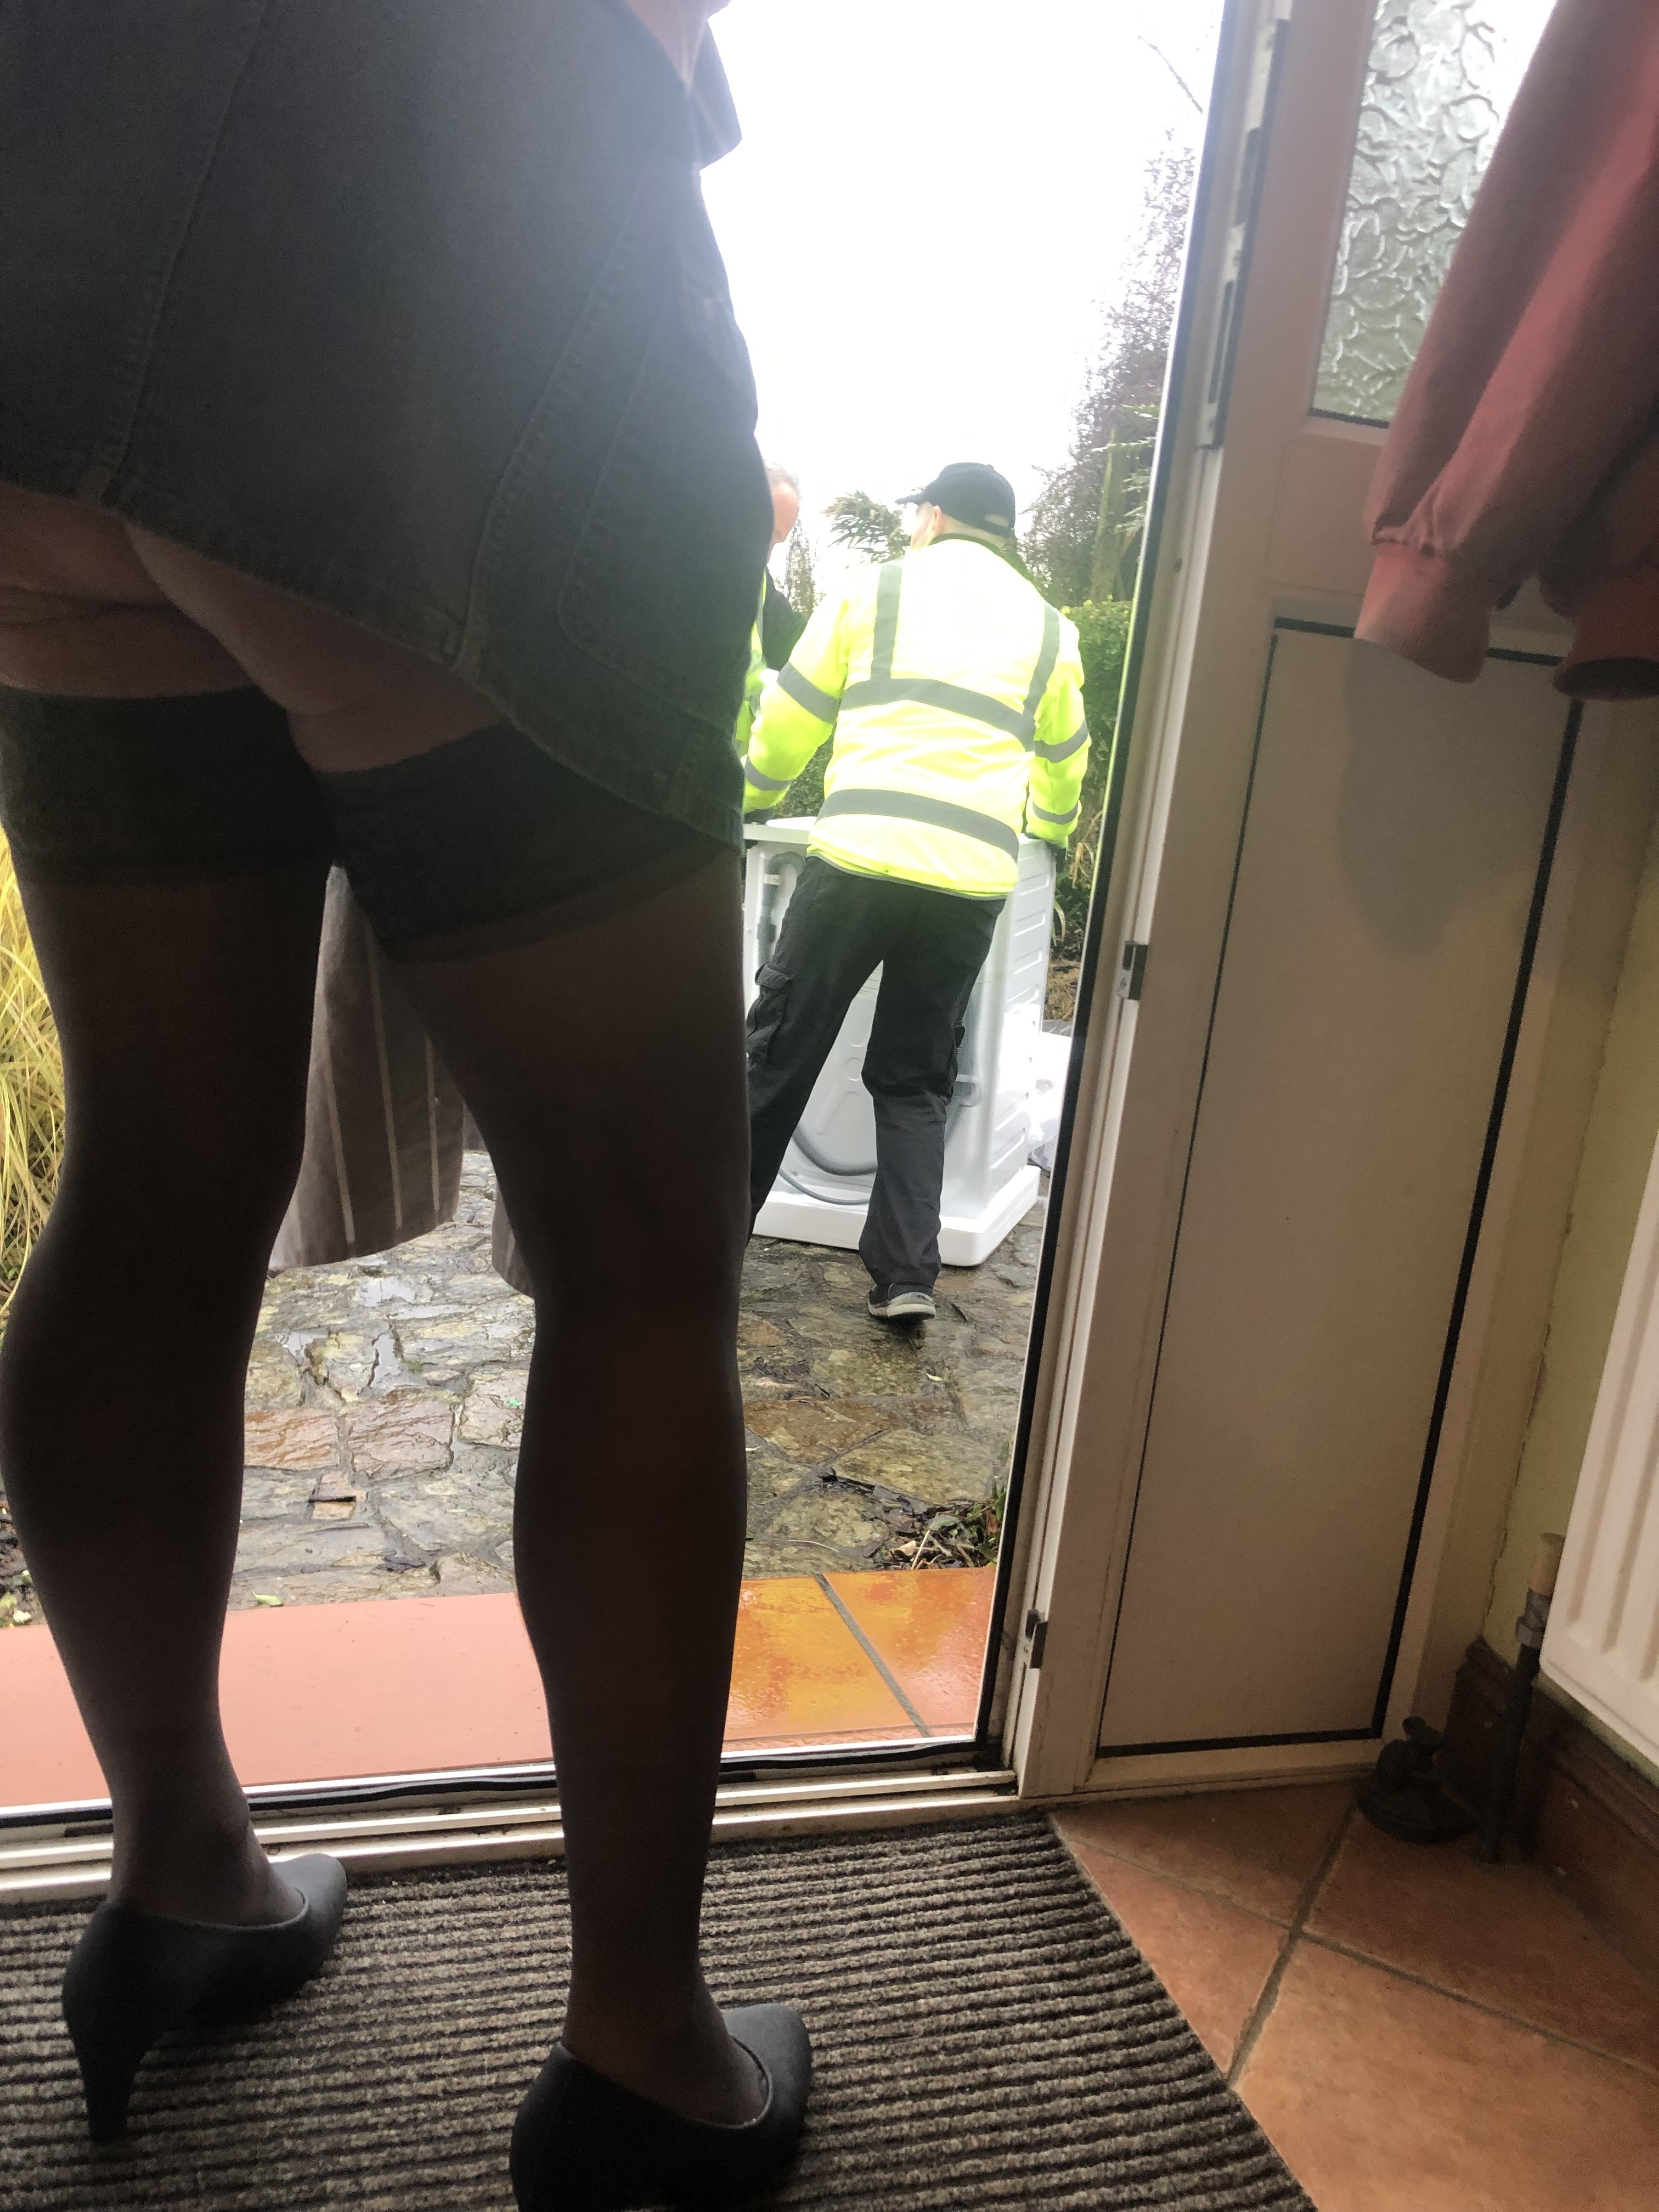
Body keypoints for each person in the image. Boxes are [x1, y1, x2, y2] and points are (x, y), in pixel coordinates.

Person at [0, 3, 810, 2203]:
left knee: (153, 1171)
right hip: (438, 232)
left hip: (48, 216)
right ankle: (643, 2056)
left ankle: (180, 1874)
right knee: (635, 1256)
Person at [741, 462, 1090, 1322]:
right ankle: (905, 1277)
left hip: (858, 860)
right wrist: (1048, 825)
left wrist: (754, 794)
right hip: (969, 881)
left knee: (778, 1054)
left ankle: (699, 1247)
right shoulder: (1051, 629)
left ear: (933, 517)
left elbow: (792, 715)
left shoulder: (875, 591)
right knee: (914, 1077)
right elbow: (1065, 759)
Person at [734, 462, 807, 752]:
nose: (768, 551)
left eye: (779, 539)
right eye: (769, 531)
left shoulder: (759, 581)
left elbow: (791, 636)